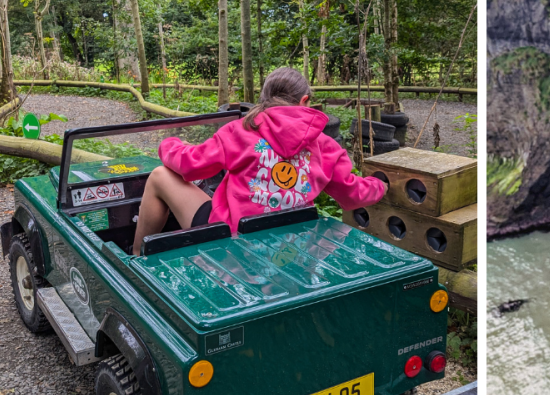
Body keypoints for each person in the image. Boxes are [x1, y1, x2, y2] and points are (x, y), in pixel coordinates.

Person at [131, 67, 387, 255]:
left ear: (263, 99)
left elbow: (189, 165)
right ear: (305, 101)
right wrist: (381, 184)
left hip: (231, 238)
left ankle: (135, 259)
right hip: (294, 243)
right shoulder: (326, 146)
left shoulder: (238, 131)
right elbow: (353, 194)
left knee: (159, 176)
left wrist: (171, 144)